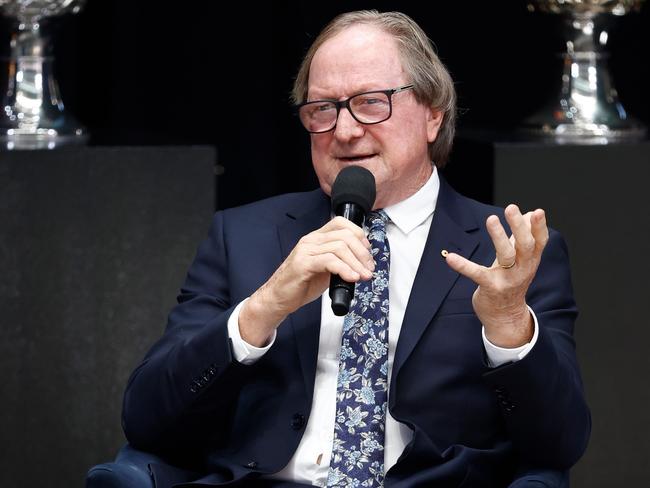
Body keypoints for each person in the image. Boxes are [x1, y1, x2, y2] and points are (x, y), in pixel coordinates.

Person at [121, 10, 590, 488]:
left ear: (433, 114)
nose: (344, 131)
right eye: (323, 109)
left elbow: (558, 445)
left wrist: (509, 327)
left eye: (371, 102)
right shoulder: (242, 235)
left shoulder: (505, 254)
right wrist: (261, 311)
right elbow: (147, 420)